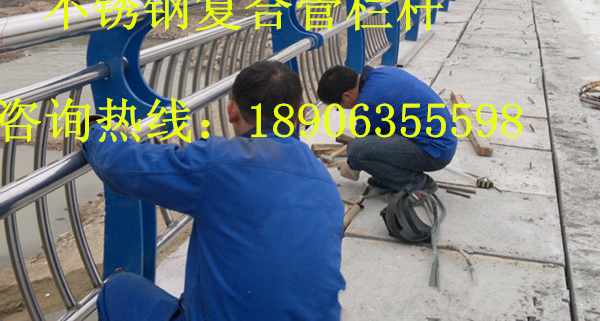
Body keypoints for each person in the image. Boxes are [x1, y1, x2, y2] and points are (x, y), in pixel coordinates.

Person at [83, 60, 346, 320]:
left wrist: (94, 129)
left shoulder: (220, 163)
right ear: (300, 113)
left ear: (231, 111)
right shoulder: (323, 180)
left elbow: (121, 166)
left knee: (118, 289)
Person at [317, 65, 457, 193]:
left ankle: (417, 183)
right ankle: (391, 179)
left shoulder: (368, 103)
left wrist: (351, 166)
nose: (342, 108)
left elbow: (364, 144)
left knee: (356, 150)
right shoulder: (382, 73)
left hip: (434, 151)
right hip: (442, 140)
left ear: (346, 95)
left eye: (339, 105)